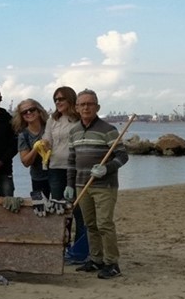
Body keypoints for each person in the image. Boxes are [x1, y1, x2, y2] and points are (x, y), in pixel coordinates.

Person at [66, 89, 129, 279]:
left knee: (104, 224)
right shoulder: (74, 131)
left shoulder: (108, 130)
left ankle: (112, 263)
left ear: (97, 107)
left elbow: (123, 156)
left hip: (104, 186)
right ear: (76, 108)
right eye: (82, 104)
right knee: (89, 225)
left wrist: (106, 168)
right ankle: (96, 260)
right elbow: (71, 161)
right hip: (81, 185)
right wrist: (69, 184)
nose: (86, 107)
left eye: (90, 104)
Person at [42, 86, 87, 263]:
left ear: (70, 99)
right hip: (55, 168)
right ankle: (61, 248)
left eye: (61, 99)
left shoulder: (79, 120)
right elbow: (47, 139)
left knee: (79, 211)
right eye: (55, 100)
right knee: (60, 210)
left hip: (76, 169)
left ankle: (80, 251)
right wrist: (42, 145)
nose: (58, 102)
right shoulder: (53, 120)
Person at [13, 98, 51, 216]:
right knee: (40, 211)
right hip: (38, 178)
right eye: (24, 112)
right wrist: (36, 148)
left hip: (57, 176)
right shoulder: (23, 135)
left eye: (31, 109)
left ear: (39, 111)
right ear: (22, 116)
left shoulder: (51, 127)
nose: (28, 113)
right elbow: (25, 162)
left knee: (61, 208)